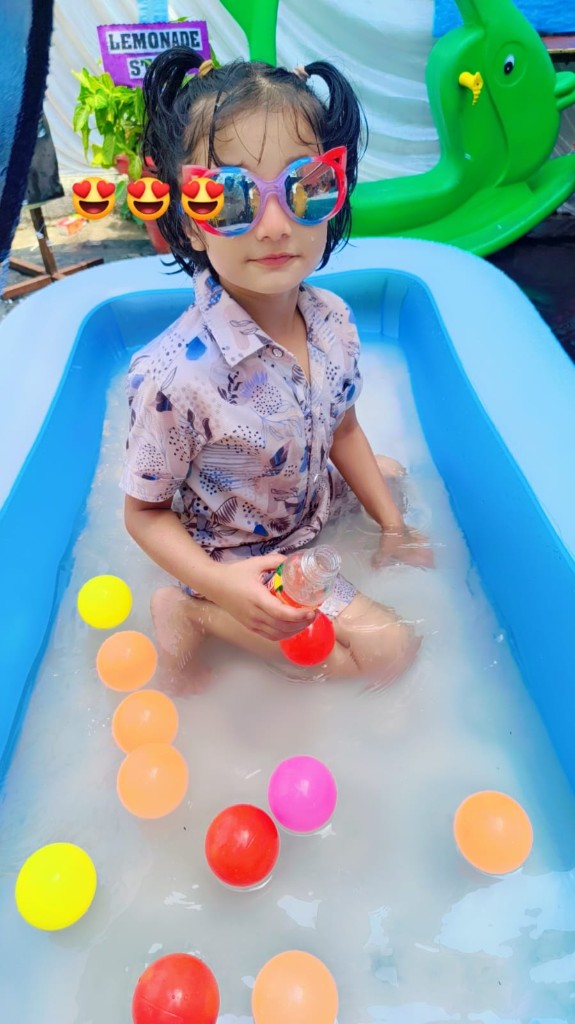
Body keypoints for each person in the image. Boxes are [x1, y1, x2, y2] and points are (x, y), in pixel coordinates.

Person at [120, 48, 433, 687]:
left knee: (396, 479)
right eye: (229, 198)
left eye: (305, 186)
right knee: (389, 653)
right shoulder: (175, 377)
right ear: (189, 220)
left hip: (304, 504)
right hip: (240, 561)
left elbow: (341, 427)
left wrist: (392, 529)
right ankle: (192, 612)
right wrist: (217, 585)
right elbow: (144, 512)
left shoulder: (333, 322)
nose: (272, 226)